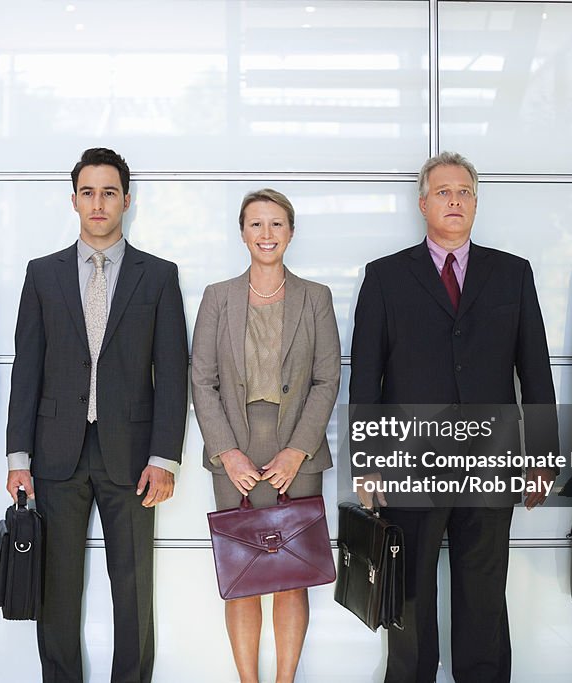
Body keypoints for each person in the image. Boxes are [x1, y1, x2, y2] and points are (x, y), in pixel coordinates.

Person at [349, 151, 558, 683]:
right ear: (423, 203)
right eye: (444, 191)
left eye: (465, 191)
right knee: (410, 593)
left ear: (476, 202)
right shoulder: (385, 277)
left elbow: (535, 372)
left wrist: (541, 455)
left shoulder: (512, 274)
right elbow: (364, 379)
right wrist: (366, 461)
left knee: (484, 594)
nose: (455, 200)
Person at [5, 147, 189, 683]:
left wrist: (165, 458)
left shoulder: (157, 276)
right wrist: (19, 456)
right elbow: (26, 369)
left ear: (126, 200)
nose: (99, 202)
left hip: (132, 459)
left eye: (109, 192)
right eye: (88, 192)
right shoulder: (43, 275)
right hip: (55, 454)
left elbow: (172, 373)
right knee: (56, 590)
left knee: (133, 590)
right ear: (74, 200)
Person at [191, 188, 340, 683]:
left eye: (276, 224)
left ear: (291, 232)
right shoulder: (217, 297)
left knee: (291, 576)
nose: (266, 234)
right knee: (244, 577)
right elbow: (202, 380)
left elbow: (327, 379)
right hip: (233, 449)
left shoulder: (315, 297)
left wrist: (298, 450)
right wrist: (226, 452)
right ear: (242, 233)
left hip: (298, 450)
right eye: (256, 224)